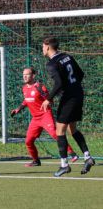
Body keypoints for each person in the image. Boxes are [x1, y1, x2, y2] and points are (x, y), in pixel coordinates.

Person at [40, 37, 95, 177]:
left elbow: (58, 84)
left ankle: (64, 165)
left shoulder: (51, 64)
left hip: (69, 98)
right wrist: (73, 88)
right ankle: (87, 157)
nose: (42, 49)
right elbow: (80, 74)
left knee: (60, 131)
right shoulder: (67, 57)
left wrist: (48, 99)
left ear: (47, 47)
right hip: (78, 94)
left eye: (42, 46)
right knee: (72, 128)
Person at [11, 67, 78, 167]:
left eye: (27, 74)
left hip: (45, 115)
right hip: (35, 119)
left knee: (55, 134)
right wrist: (19, 108)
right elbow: (26, 100)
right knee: (28, 141)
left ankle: (72, 153)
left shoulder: (39, 87)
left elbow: (49, 99)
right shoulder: (24, 88)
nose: (25, 76)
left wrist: (49, 102)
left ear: (33, 76)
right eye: (23, 74)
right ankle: (36, 161)